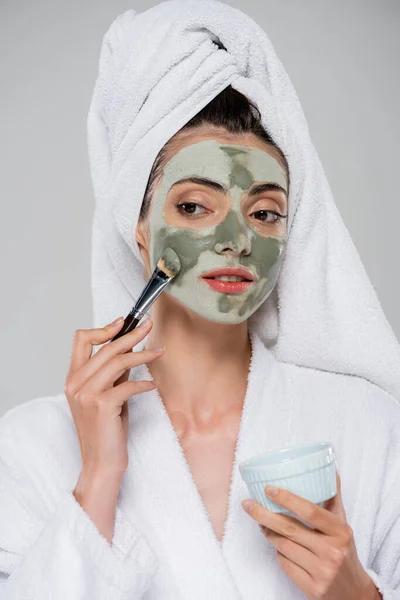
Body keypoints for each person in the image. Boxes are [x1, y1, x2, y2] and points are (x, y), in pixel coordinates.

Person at [1, 2, 399, 599]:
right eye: (193, 206)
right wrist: (98, 483)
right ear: (139, 232)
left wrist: (357, 594)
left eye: (265, 213)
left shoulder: (368, 427)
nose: (237, 239)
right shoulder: (31, 446)